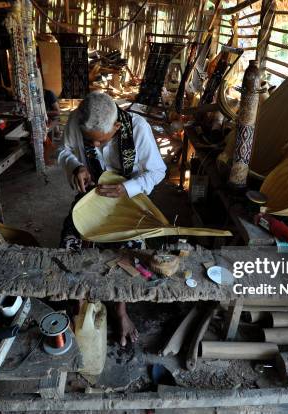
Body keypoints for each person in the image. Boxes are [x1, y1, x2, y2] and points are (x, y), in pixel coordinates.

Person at [57, 91, 166, 346]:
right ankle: (79, 302)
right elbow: (64, 150)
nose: (93, 147)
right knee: (70, 243)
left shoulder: (137, 128)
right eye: (89, 141)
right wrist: (75, 166)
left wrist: (128, 188)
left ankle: (120, 310)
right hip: (92, 195)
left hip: (129, 198)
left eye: (100, 141)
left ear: (117, 126)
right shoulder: (77, 120)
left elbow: (158, 171)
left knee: (130, 251)